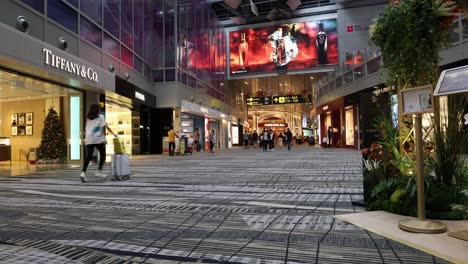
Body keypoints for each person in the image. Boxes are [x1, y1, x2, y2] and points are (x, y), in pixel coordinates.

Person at [80, 104, 117, 183]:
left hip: (89, 138)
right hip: (97, 139)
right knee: (103, 154)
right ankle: (99, 171)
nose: (100, 110)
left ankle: (83, 173)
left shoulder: (87, 118)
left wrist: (84, 138)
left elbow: (86, 128)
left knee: (88, 156)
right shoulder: (101, 117)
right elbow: (104, 128)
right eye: (100, 109)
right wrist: (113, 135)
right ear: (97, 110)